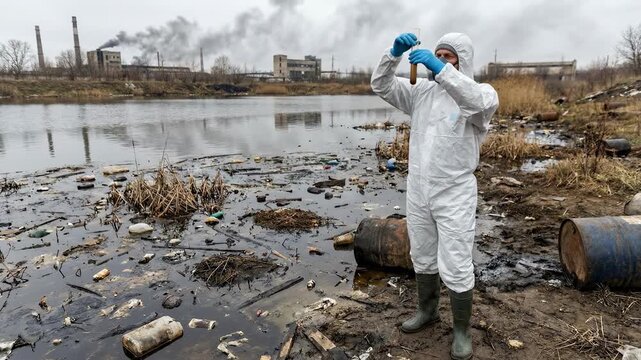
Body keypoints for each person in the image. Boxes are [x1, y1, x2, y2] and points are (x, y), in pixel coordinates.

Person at [370, 32, 498, 360]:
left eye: (448, 55)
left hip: (454, 190)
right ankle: (427, 312)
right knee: (423, 254)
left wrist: (441, 69)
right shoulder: (421, 92)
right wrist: (393, 54)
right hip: (419, 187)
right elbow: (381, 85)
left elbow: (477, 104)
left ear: (462, 61)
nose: (440, 59)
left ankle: (461, 332)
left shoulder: (480, 94)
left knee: (455, 261)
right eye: (437, 54)